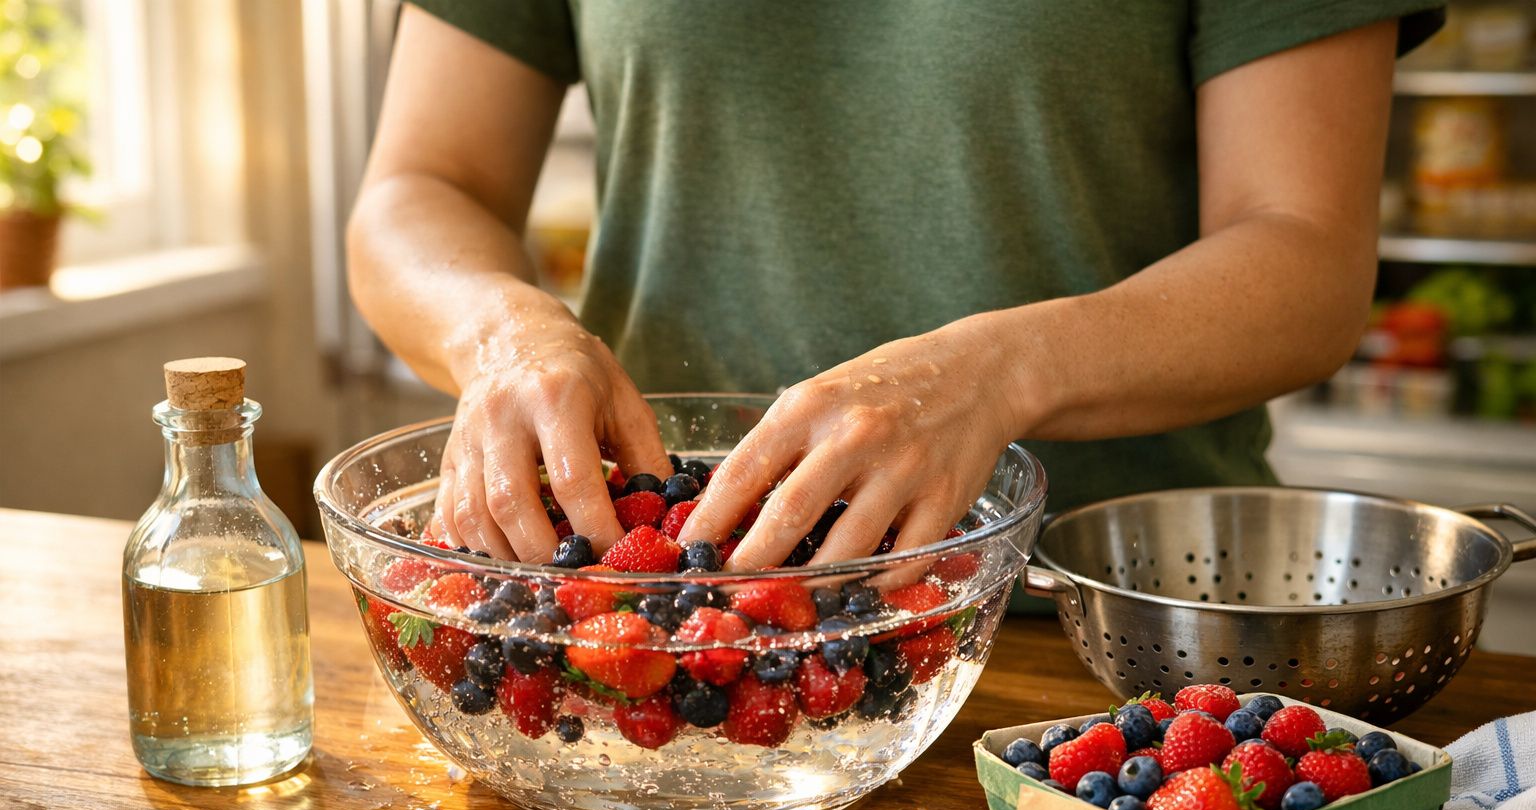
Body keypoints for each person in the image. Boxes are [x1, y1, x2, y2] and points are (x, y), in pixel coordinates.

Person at [348, 1, 1442, 572]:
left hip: (1092, 637)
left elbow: (1306, 254)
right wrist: (501, 327)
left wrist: (1005, 369)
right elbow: (417, 186)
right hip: (667, 619)